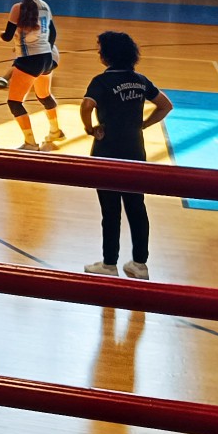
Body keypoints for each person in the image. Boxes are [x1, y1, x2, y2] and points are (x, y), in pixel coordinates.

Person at [78, 31, 171, 280]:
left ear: (107, 55)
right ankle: (140, 264)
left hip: (107, 151)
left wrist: (90, 128)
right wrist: (143, 125)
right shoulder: (140, 80)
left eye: (100, 49)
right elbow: (165, 105)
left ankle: (110, 263)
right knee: (136, 207)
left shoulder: (101, 81)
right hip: (135, 151)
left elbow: (86, 105)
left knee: (110, 211)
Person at [0, 0, 62, 149]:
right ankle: (56, 131)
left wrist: (1, 36)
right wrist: (45, 48)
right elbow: (53, 33)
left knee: (15, 102)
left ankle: (30, 143)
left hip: (29, 60)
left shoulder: (17, 8)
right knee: (44, 95)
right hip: (47, 58)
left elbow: (8, 36)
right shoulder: (45, 6)